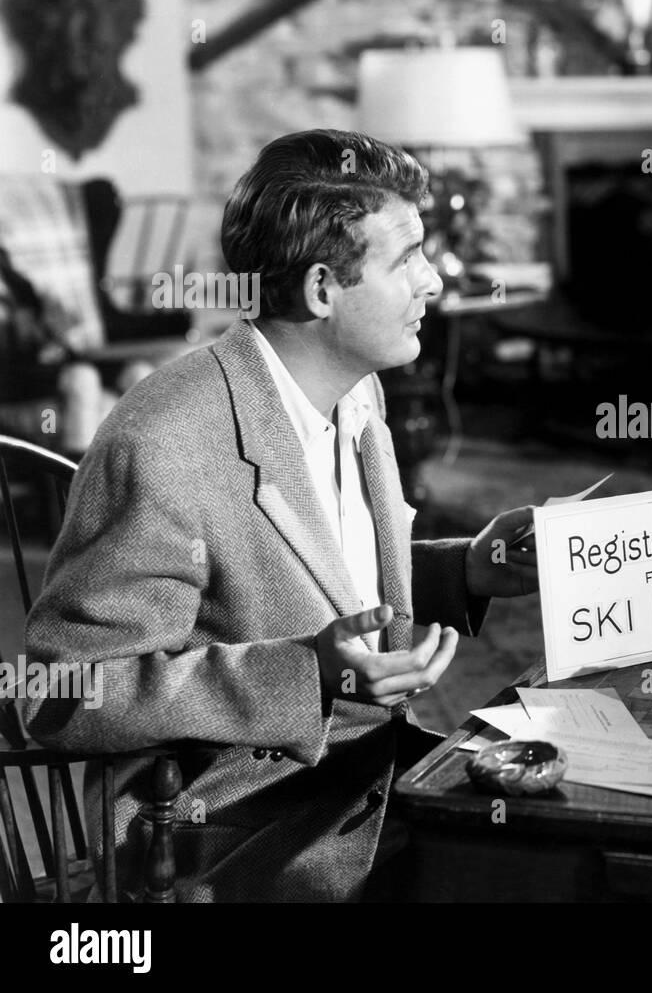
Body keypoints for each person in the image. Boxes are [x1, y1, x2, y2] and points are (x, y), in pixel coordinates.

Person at [23, 130, 538, 902]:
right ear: (324, 289)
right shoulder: (162, 439)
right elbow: (58, 689)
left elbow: (317, 575)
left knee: (572, 835)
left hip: (368, 775)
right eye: (408, 258)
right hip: (228, 836)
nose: (434, 280)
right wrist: (308, 670)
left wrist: (463, 567)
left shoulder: (356, 390)